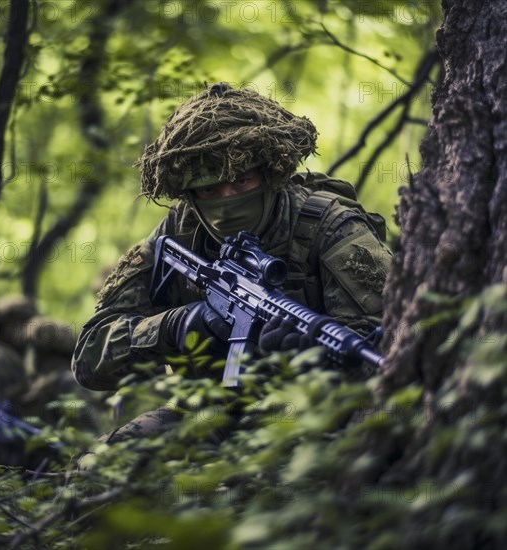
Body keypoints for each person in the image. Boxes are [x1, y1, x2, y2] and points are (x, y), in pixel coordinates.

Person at [71, 83, 392, 444]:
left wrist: (312, 358)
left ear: (271, 174)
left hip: (319, 410)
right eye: (209, 190)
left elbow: (394, 348)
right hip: (212, 409)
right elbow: (89, 360)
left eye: (242, 181)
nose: (226, 200)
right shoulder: (178, 234)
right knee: (98, 468)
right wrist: (173, 327)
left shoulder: (331, 226)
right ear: (189, 196)